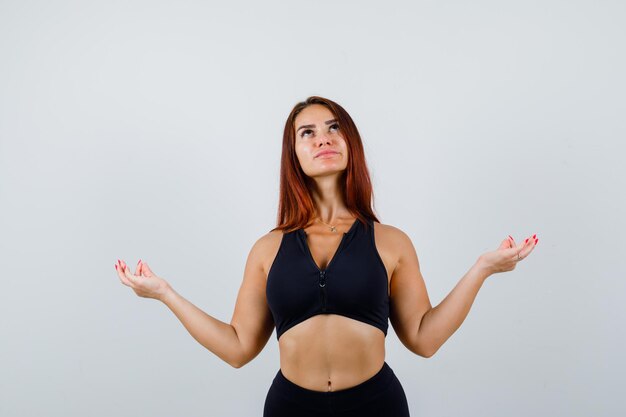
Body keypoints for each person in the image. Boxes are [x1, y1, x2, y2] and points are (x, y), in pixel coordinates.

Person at [115, 95, 539, 416]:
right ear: (294, 154)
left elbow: (424, 339)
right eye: (308, 132)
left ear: (349, 142)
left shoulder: (391, 241)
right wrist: (165, 294)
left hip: (377, 405)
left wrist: (483, 269)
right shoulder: (268, 248)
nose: (323, 139)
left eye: (334, 128)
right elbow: (239, 348)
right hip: (290, 408)